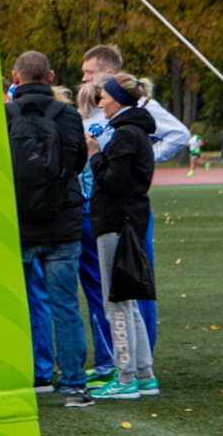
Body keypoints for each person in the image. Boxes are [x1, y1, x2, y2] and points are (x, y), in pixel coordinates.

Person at [76, 44, 188, 382]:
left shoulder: (131, 126)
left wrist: (103, 156)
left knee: (124, 293)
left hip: (119, 214)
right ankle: (137, 370)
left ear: (110, 82)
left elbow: (178, 136)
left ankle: (128, 373)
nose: (86, 82)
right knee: (117, 294)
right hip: (112, 210)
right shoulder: (123, 123)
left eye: (89, 73)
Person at [6, 52, 91, 405]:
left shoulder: (4, 115)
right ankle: (74, 384)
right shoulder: (68, 115)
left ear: (15, 77)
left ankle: (30, 375)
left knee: (20, 307)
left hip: (19, 224)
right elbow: (77, 162)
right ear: (51, 75)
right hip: (62, 223)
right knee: (66, 306)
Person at [86, 75, 158, 399]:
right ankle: (144, 373)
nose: (99, 103)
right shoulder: (134, 131)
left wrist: (94, 153)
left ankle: (126, 378)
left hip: (117, 222)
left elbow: (113, 182)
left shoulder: (126, 133)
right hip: (127, 221)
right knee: (127, 298)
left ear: (117, 98)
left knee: (116, 300)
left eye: (103, 97)